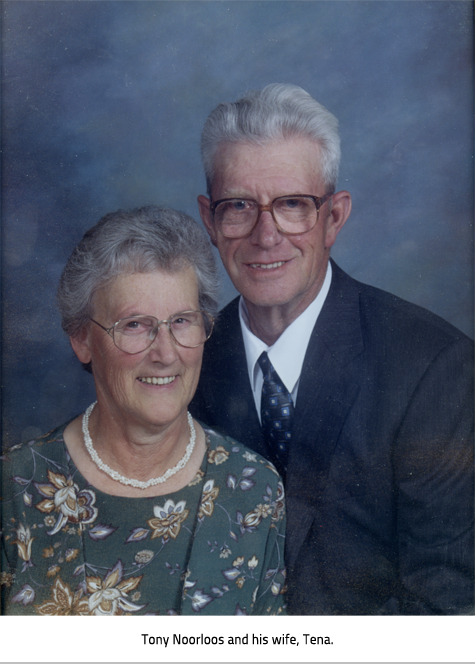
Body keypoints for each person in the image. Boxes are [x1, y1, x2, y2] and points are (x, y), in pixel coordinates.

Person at [190, 84, 474, 615]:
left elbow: (448, 610)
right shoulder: (184, 363)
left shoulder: (434, 369)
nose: (265, 235)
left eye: (293, 205)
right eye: (238, 207)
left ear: (334, 219)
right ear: (210, 220)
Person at [0, 206, 286, 616]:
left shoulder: (255, 489)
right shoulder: (12, 489)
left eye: (183, 321)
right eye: (135, 325)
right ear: (82, 338)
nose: (166, 354)